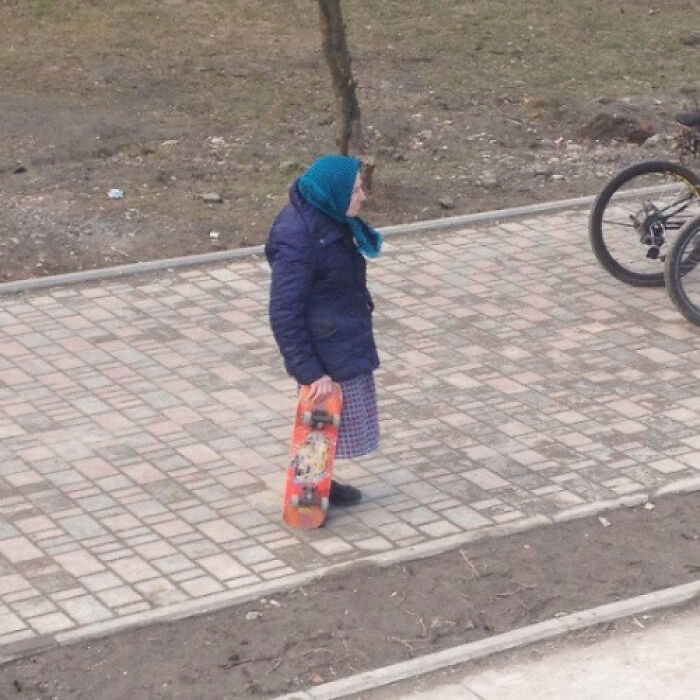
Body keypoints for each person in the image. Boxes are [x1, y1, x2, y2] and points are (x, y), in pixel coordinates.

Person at [265, 154, 383, 507]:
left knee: (329, 425)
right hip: (325, 348)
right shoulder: (300, 237)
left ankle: (322, 484)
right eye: (357, 189)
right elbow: (284, 312)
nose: (363, 196)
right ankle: (307, 498)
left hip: (340, 335)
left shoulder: (328, 219)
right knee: (320, 422)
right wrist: (310, 372)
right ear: (334, 192)